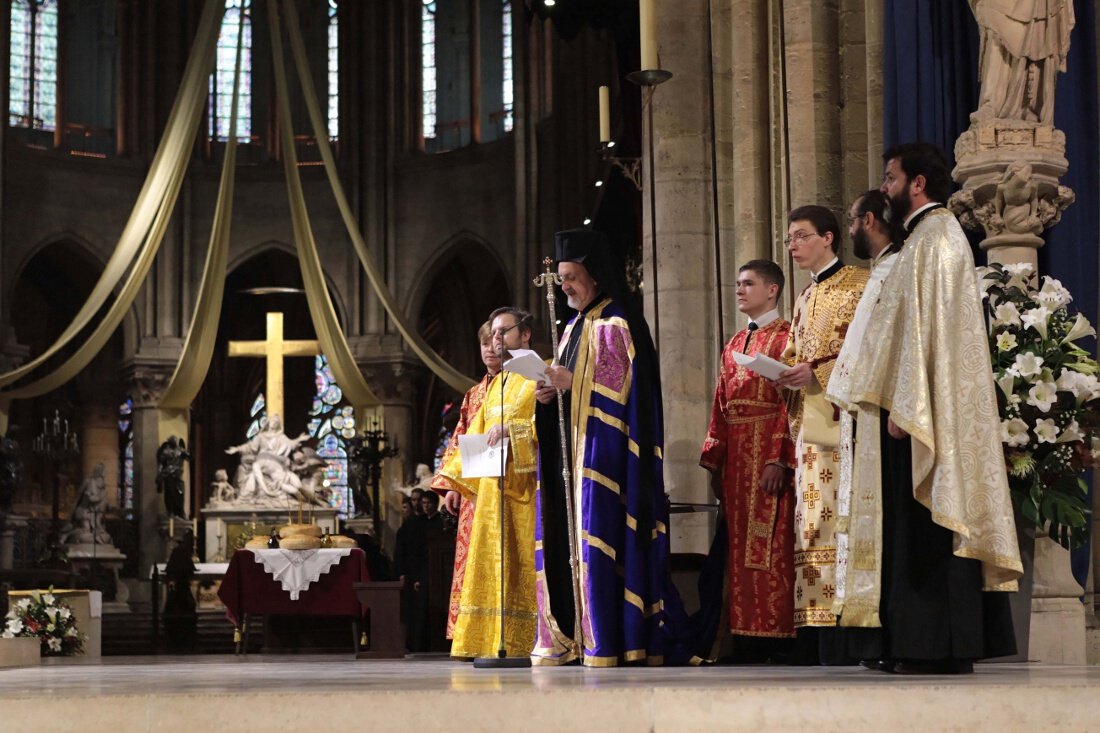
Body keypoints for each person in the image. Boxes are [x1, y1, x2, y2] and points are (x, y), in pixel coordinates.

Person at [826, 142, 1021, 673]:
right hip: (910, 403)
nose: (884, 188)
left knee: (928, 525)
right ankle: (915, 642)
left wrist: (905, 403)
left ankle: (937, 645)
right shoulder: (922, 239)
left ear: (916, 183)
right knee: (911, 527)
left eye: (890, 178)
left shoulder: (936, 237)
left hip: (919, 408)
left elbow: (926, 331)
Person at [533, 228, 685, 667]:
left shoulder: (616, 322)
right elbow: (569, 388)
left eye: (571, 277)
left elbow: (622, 394)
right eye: (560, 280)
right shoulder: (574, 327)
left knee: (600, 544)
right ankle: (573, 633)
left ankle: (607, 636)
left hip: (606, 460)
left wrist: (572, 382)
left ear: (594, 275)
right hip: (573, 457)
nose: (564, 287)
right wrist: (549, 395)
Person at [775, 205, 868, 664]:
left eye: (800, 236)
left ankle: (846, 624)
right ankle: (816, 626)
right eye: (790, 238)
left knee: (839, 520)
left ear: (829, 238)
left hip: (844, 422)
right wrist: (783, 373)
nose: (792, 246)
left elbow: (863, 349)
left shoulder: (860, 283)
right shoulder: (805, 296)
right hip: (809, 426)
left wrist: (812, 371)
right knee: (812, 525)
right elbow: (796, 349)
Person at [699, 259, 796, 657]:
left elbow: (791, 402)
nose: (739, 290)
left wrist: (780, 458)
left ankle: (776, 636)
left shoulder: (789, 336)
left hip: (767, 455)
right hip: (737, 458)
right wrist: (715, 458)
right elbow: (720, 405)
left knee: (770, 545)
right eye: (737, 283)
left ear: (772, 290)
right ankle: (741, 636)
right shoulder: (734, 343)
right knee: (738, 551)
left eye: (748, 283)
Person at [439, 307, 539, 659]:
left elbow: (552, 428)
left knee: (520, 565)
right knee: (491, 565)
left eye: (503, 332)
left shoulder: (537, 371)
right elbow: (475, 432)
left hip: (525, 490)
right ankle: (487, 639)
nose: (495, 341)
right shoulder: (499, 381)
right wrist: (457, 481)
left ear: (524, 335)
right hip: (492, 492)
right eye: (492, 334)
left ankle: (525, 640)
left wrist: (513, 432)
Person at [431, 321, 499, 640]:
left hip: (508, 487)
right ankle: (471, 632)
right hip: (474, 489)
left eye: (494, 342)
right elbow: (459, 440)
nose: (489, 349)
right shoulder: (473, 395)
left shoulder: (519, 386)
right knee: (472, 561)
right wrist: (451, 486)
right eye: (484, 344)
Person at [156, 436, 190, 518]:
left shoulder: (180, 450)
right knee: (170, 493)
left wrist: (186, 452)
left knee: (180, 493)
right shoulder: (165, 451)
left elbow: (189, 457)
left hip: (178, 475)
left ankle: (179, 511)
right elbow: (160, 463)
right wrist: (159, 476)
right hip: (168, 474)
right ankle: (170, 511)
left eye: (175, 441)